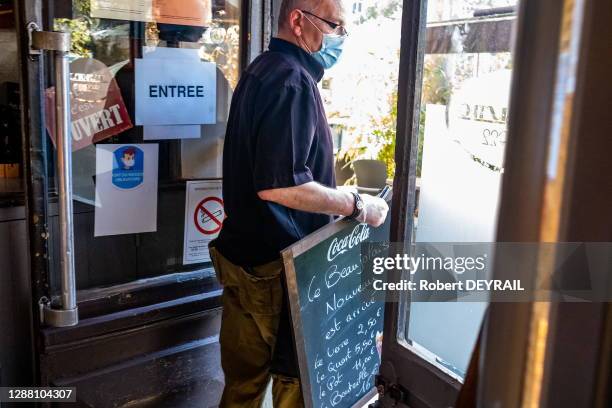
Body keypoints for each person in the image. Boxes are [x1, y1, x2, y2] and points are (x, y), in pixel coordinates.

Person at [209, 0, 389, 406]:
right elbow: (280, 186)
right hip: (275, 271)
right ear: (298, 21)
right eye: (336, 27)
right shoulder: (291, 80)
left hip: (243, 259)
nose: (340, 39)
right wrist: (357, 204)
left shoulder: (261, 70)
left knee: (242, 387)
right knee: (297, 387)